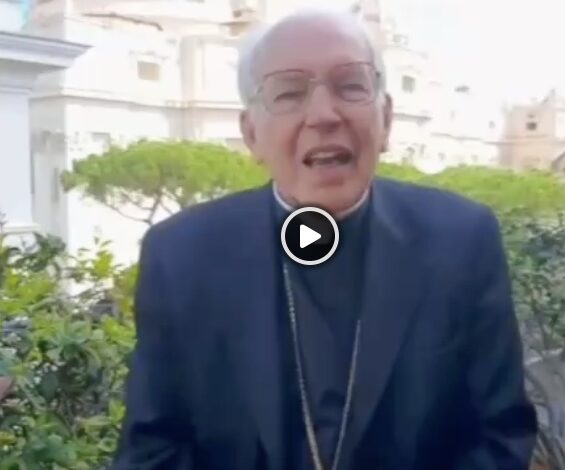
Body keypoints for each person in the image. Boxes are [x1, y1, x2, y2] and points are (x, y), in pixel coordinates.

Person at [111, 8, 538, 470]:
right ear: (251, 134)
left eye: (350, 85)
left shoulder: (462, 240)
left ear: (386, 118)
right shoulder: (181, 257)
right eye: (289, 93)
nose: (323, 115)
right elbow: (152, 450)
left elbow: (501, 435)